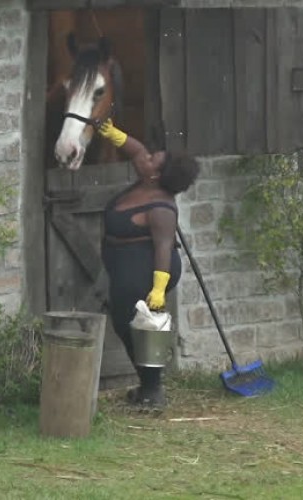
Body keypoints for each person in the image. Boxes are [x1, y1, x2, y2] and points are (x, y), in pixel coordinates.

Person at [97, 119, 199, 408]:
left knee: (141, 326)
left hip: (150, 267)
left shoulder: (161, 208)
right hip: (127, 263)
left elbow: (164, 248)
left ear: (156, 175)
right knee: (124, 323)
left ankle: (153, 391)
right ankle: (148, 386)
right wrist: (114, 133)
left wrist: (157, 290)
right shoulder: (145, 180)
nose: (147, 156)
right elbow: (137, 148)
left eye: (154, 159)